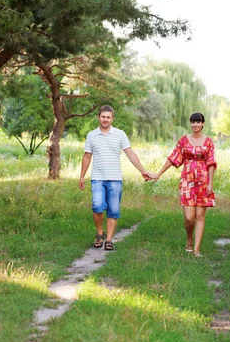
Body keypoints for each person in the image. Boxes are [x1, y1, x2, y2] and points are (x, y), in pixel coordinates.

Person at [79, 105, 152, 251]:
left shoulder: (120, 134)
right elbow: (87, 156)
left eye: (108, 117)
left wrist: (142, 170)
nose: (105, 120)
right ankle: (99, 232)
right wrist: (82, 176)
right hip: (98, 177)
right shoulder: (91, 135)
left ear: (112, 118)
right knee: (97, 206)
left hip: (115, 178)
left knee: (113, 210)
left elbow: (130, 153)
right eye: (103, 117)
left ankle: (109, 240)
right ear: (98, 117)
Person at [151, 112, 217, 257]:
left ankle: (196, 249)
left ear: (203, 124)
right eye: (193, 122)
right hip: (187, 181)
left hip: (203, 181)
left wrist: (210, 183)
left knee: (200, 215)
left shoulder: (208, 142)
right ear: (190, 124)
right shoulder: (184, 140)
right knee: (189, 217)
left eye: (198, 122)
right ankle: (189, 238)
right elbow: (173, 158)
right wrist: (159, 173)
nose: (195, 125)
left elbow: (211, 163)